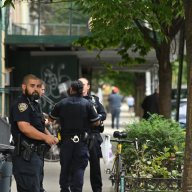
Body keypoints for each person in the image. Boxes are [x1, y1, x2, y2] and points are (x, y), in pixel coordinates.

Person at [49, 80, 101, 192]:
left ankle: (64, 189)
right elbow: (96, 122)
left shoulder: (61, 103)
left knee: (65, 167)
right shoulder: (88, 104)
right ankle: (77, 190)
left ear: (71, 89)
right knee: (79, 168)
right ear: (82, 91)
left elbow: (51, 119)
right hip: (81, 142)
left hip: (66, 142)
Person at [10, 74, 58, 192]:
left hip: (36, 156)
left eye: (38, 86)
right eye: (32, 86)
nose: (35, 89)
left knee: (37, 188)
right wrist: (46, 138)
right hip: (25, 157)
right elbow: (25, 128)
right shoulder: (22, 104)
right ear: (24, 86)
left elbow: (40, 126)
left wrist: (49, 136)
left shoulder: (34, 105)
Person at [79, 77, 107, 192]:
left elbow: (103, 114)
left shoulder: (94, 100)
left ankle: (97, 189)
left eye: (83, 84)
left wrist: (96, 118)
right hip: (78, 136)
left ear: (88, 86)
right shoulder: (71, 100)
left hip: (93, 136)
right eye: (79, 84)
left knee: (95, 166)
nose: (81, 86)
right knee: (77, 167)